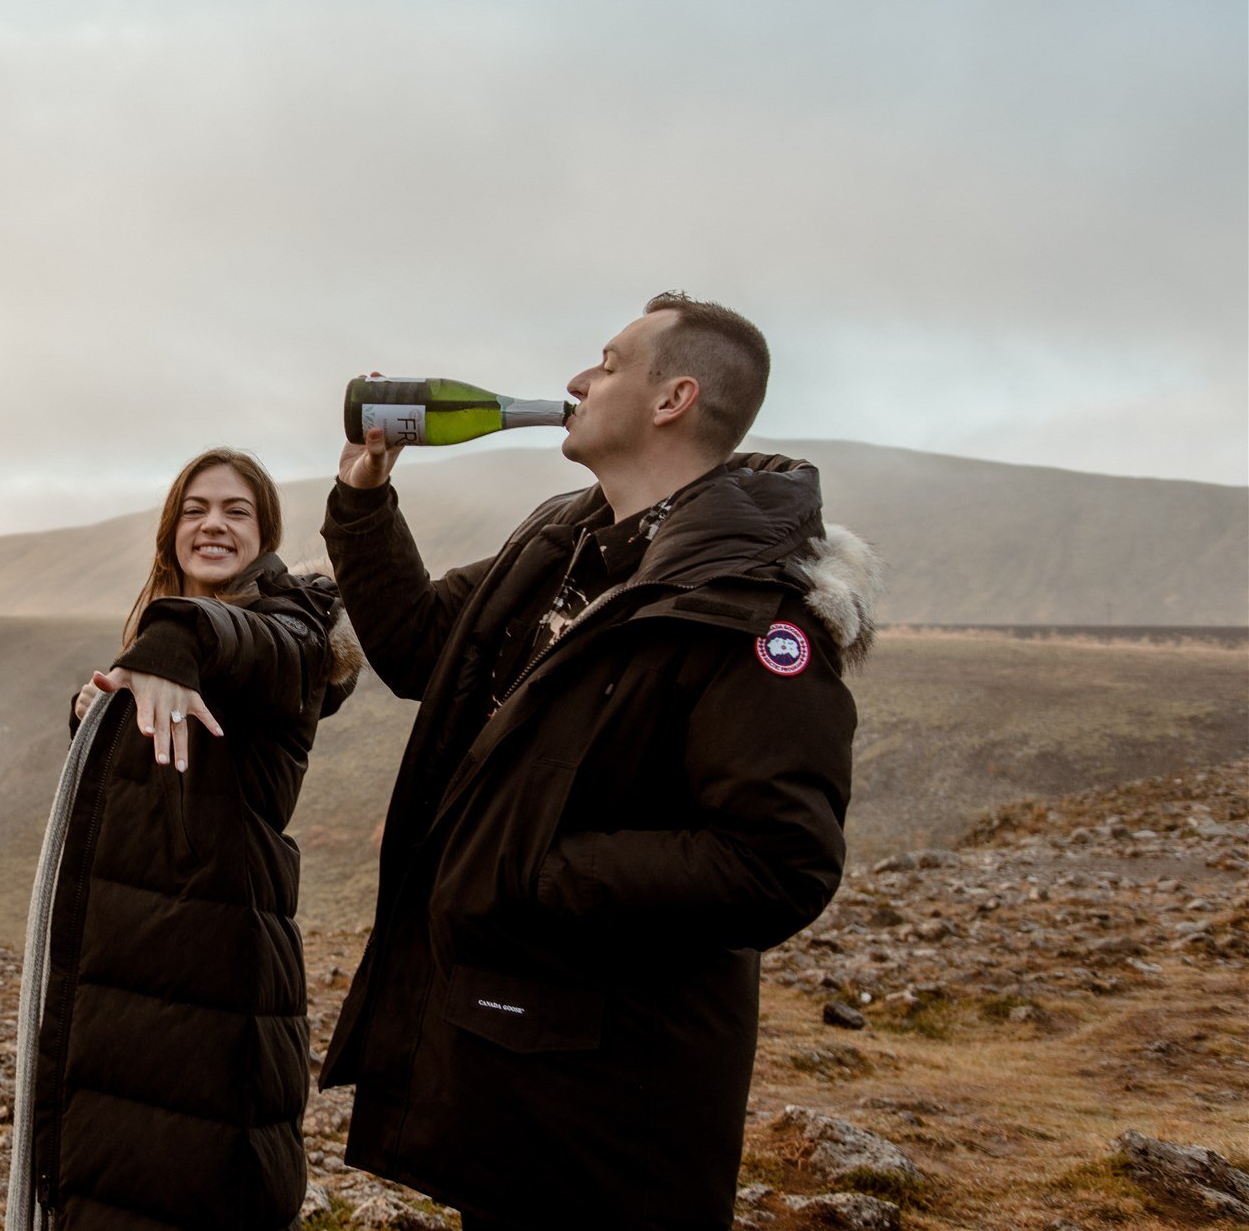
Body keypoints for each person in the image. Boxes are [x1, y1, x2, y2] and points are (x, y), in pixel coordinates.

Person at [317, 293, 881, 1228]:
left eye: (609, 363)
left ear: (675, 398)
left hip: (617, 1100)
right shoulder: (562, 541)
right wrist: (365, 500)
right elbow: (421, 648)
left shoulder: (752, 608)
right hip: (508, 1051)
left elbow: (779, 862)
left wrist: (528, 866)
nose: (576, 382)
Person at [13, 447, 363, 1231]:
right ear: (172, 528)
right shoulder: (160, 647)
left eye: (236, 511)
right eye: (196, 509)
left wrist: (177, 636)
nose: (213, 524)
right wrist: (94, 712)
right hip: (129, 975)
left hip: (211, 987)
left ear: (265, 533)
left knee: (188, 1185)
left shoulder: (291, 628)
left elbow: (248, 642)